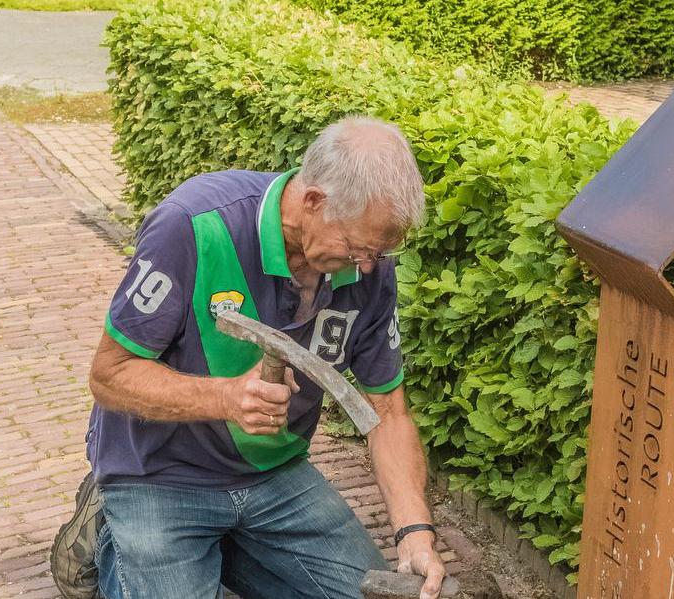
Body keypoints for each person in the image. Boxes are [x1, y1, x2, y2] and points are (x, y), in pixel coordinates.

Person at [50, 116, 445, 599]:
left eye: (380, 251)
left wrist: (414, 533)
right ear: (314, 201)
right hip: (158, 475)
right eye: (358, 245)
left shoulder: (369, 268)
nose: (367, 264)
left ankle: (225, 550)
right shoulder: (193, 226)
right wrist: (228, 398)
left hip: (274, 476)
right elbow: (109, 376)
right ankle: (110, 535)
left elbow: (388, 411)